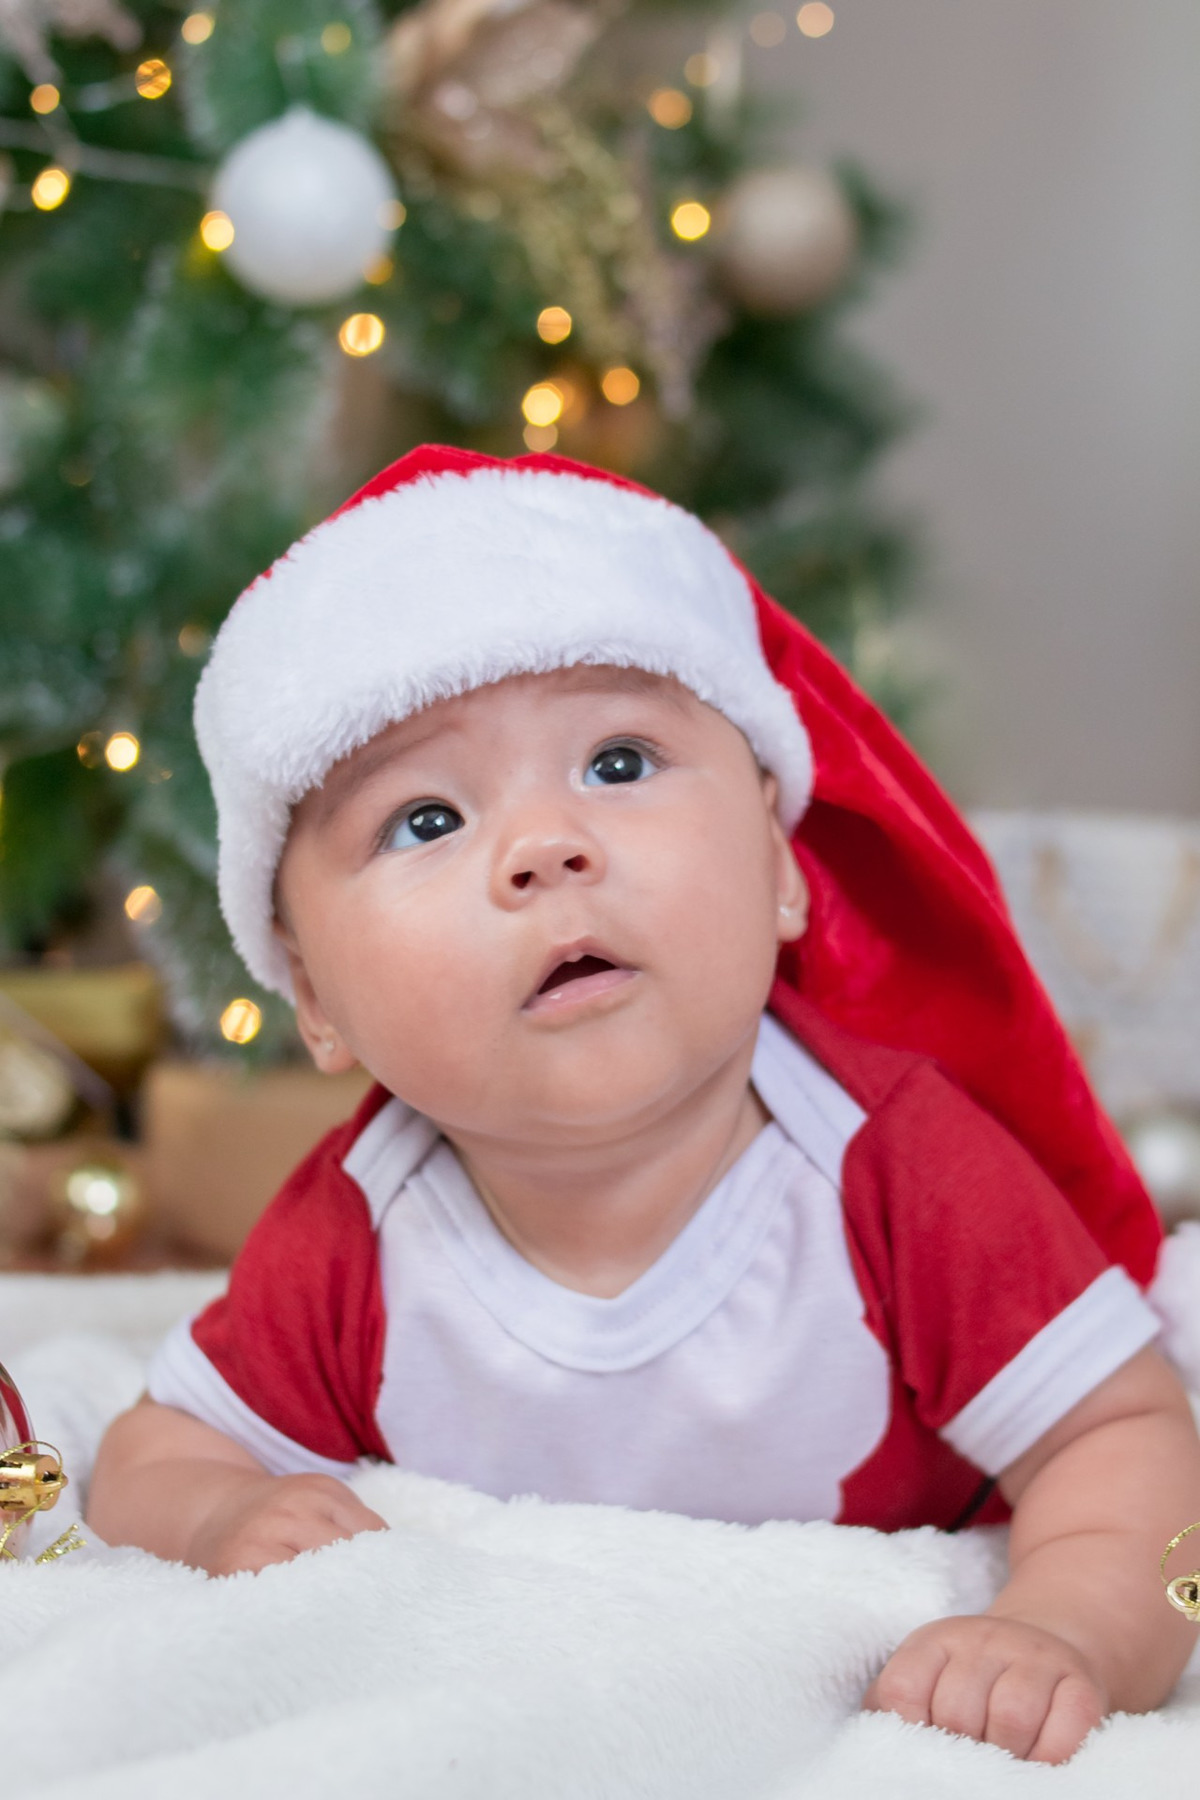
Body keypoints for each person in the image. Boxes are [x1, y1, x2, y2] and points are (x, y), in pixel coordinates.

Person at [88, 445, 1200, 1764]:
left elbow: (1130, 1437)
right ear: (314, 1002)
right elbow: (147, 1458)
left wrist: (1071, 1622)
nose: (547, 849)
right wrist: (218, 1518)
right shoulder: (357, 1232)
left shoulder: (891, 1165)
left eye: (619, 762)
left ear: (787, 873)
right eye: (426, 818)